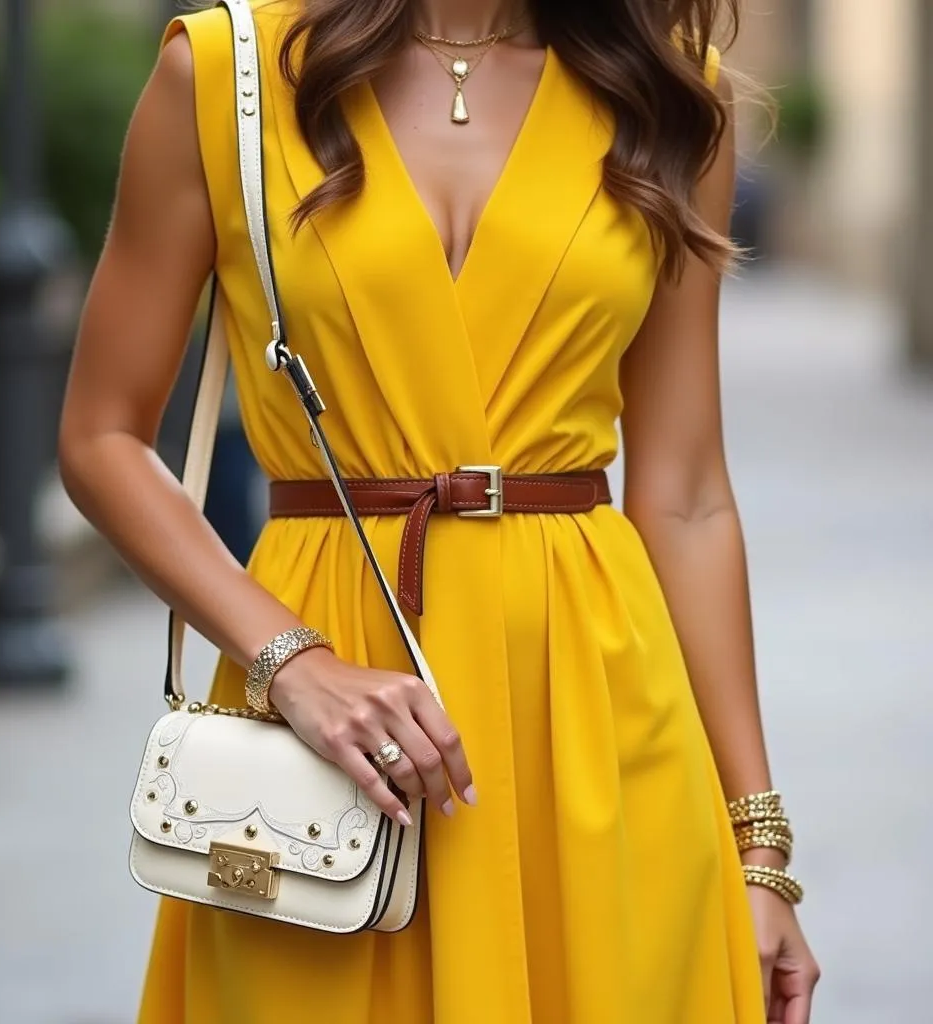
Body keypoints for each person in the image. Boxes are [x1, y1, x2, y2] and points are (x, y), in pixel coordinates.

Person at [57, 0, 821, 1020]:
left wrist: (756, 841)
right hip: (321, 745)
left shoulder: (671, 97)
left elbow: (683, 496)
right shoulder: (225, 75)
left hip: (596, 716)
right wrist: (293, 661)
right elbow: (101, 436)